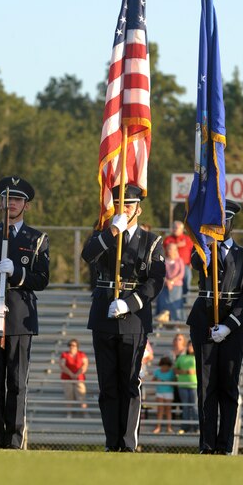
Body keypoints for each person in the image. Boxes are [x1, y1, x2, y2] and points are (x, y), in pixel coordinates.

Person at [81, 183, 166, 452]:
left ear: (138, 208)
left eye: (128, 205)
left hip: (134, 317)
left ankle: (128, 444)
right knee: (107, 384)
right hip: (104, 315)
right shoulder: (104, 235)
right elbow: (87, 255)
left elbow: (156, 281)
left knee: (129, 382)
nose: (123, 209)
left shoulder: (152, 241)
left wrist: (130, 304)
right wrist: (112, 232)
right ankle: (111, 443)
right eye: (119, 204)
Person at [0, 176, 49, 449]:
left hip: (19, 316)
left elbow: (42, 279)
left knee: (17, 382)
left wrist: (18, 272)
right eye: (8, 199)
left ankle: (14, 440)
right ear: (0, 202)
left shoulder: (36, 238)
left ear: (26, 205)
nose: (12, 204)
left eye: (17, 200)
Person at [188, 200, 243, 454]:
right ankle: (206, 445)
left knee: (228, 385)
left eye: (224, 221)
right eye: (215, 221)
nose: (220, 226)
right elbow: (196, 262)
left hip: (234, 327)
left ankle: (224, 445)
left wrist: (229, 326)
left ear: (231, 223)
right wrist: (207, 245)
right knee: (206, 387)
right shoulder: (204, 251)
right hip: (204, 320)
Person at [59, 339, 89, 418]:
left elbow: (85, 365)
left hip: (79, 378)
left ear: (77, 346)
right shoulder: (64, 354)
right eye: (70, 345)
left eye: (73, 345)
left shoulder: (81, 354)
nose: (71, 347)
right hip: (67, 378)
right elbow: (62, 365)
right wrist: (71, 374)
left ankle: (85, 413)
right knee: (69, 396)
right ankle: (69, 413)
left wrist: (77, 374)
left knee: (81, 395)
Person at [156, 243, 185, 321]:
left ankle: (178, 328)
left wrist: (171, 282)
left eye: (172, 249)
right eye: (168, 248)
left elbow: (181, 274)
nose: (170, 250)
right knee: (163, 306)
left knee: (176, 307)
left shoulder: (180, 260)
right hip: (164, 286)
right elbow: (160, 273)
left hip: (176, 287)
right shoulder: (163, 260)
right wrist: (167, 282)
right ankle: (161, 326)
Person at [164, 220, 193, 297]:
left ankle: (185, 298)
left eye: (176, 228)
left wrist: (191, 262)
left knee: (187, 280)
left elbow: (192, 251)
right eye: (173, 227)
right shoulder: (168, 239)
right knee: (171, 281)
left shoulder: (187, 239)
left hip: (185, 265)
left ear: (182, 229)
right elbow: (167, 247)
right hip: (171, 265)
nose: (174, 229)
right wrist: (177, 245)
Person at [174, 340, 198, 434]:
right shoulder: (181, 357)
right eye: (189, 345)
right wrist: (184, 372)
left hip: (194, 385)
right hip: (183, 385)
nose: (190, 347)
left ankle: (197, 427)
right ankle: (185, 427)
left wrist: (194, 372)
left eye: (192, 345)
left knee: (195, 406)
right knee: (185, 406)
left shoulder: (198, 356)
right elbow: (175, 369)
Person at [152, 356, 175, 434]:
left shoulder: (171, 372)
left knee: (168, 410)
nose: (164, 367)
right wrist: (157, 380)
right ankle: (158, 427)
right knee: (160, 410)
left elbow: (175, 381)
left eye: (166, 366)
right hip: (160, 392)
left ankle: (169, 428)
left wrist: (169, 381)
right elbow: (153, 380)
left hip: (169, 392)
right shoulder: (157, 371)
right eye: (163, 365)